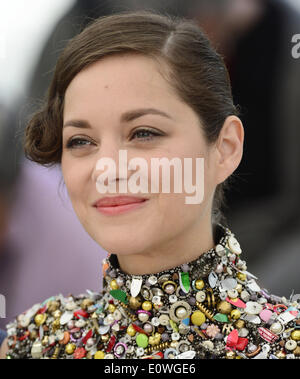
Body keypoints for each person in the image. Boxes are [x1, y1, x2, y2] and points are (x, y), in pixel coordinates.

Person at [1, 10, 299, 359]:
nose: (107, 169)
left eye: (143, 133)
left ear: (225, 148)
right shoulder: (34, 342)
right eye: (81, 141)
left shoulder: (285, 345)